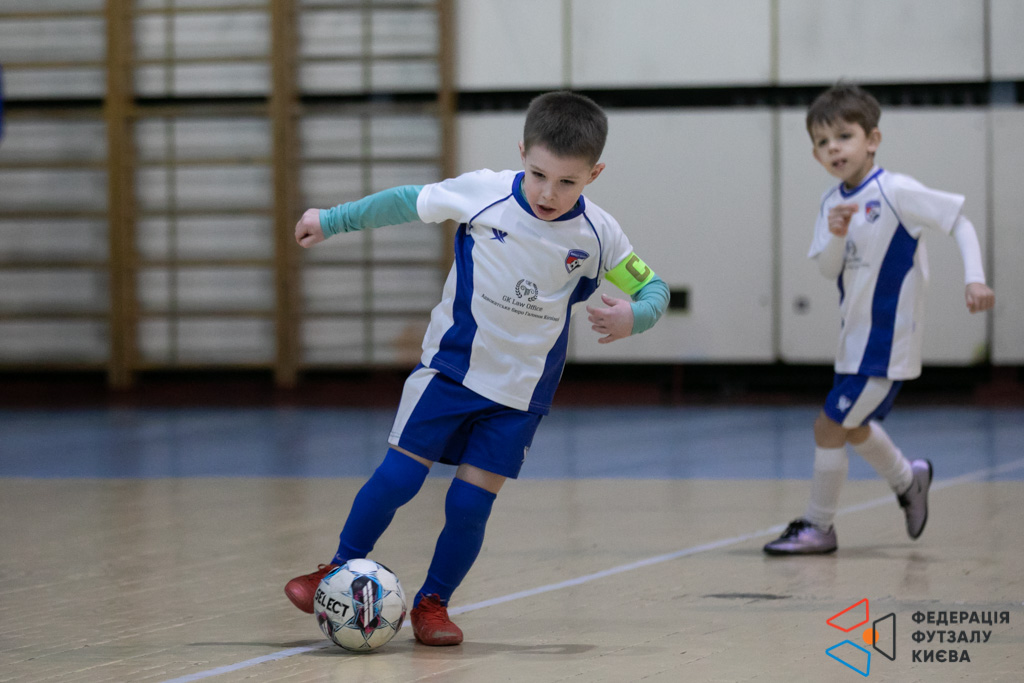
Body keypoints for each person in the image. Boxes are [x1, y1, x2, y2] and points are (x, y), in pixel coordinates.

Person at [285, 91, 670, 644]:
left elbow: (653, 288)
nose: (548, 193)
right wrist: (332, 220)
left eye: (568, 182)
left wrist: (635, 316)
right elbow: (406, 201)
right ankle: (337, 568)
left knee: (468, 505)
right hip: (450, 371)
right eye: (538, 175)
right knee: (397, 479)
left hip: (518, 396)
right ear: (522, 154)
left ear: (595, 174)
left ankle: (433, 605)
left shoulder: (599, 234)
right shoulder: (484, 193)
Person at [764, 83, 995, 555]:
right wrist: (836, 234)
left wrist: (974, 279)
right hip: (852, 340)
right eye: (823, 142)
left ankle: (819, 526)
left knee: (828, 426)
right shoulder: (831, 203)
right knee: (852, 427)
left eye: (844, 136)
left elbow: (959, 222)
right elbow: (828, 269)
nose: (834, 148)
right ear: (815, 154)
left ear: (872, 140)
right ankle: (909, 480)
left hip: (887, 342)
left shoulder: (896, 190)